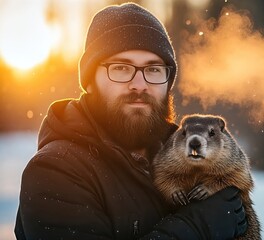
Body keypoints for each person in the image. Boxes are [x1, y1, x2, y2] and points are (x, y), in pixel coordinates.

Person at [14, 3, 247, 239]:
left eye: (154, 69)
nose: (139, 84)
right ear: (90, 80)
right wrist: (197, 228)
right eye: (121, 68)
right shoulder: (55, 171)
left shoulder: (184, 156)